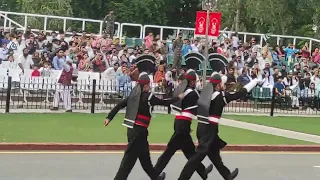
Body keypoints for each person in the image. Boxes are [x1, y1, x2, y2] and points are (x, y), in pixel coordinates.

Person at [104, 55, 184, 180]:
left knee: (145, 158)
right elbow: (165, 102)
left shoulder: (134, 94)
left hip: (133, 130)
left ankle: (155, 177)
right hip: (139, 133)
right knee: (128, 162)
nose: (149, 86)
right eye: (148, 84)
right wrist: (178, 98)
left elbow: (120, 105)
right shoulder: (148, 97)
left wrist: (109, 117)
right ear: (146, 85)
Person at [177, 72, 262, 180]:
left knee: (214, 154)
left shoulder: (204, 93)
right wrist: (253, 82)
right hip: (209, 129)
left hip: (202, 127)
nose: (223, 85)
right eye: (221, 84)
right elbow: (240, 94)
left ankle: (227, 175)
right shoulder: (221, 96)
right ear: (218, 85)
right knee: (197, 158)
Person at [154, 53, 213, 179]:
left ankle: (202, 172)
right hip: (183, 126)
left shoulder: (181, 91)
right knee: (169, 152)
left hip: (180, 123)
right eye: (194, 81)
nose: (195, 83)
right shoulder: (192, 93)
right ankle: (154, 174)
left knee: (190, 151)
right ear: (191, 82)